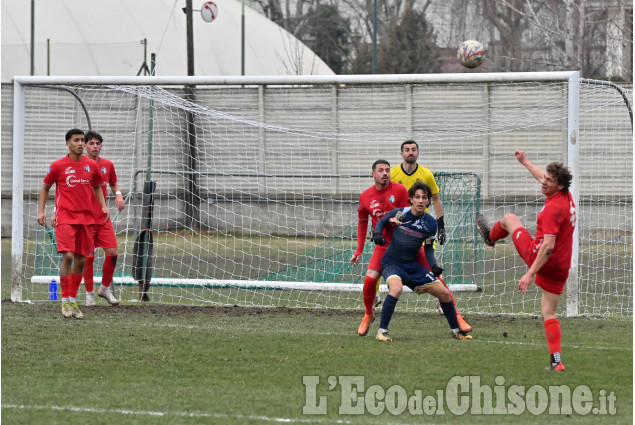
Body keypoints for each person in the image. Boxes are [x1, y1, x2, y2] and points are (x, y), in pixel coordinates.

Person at [476, 150, 575, 371]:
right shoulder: (566, 196)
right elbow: (542, 176)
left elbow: (548, 247)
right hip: (561, 267)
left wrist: (530, 273)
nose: (544, 181)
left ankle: (489, 238)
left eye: (549, 180)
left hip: (538, 255)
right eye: (545, 177)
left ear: (559, 186)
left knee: (510, 219)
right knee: (549, 313)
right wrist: (525, 162)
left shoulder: (552, 209)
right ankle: (556, 361)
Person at [372, 182, 472, 342]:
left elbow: (428, 248)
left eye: (424, 197)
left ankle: (456, 331)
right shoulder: (400, 213)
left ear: (428, 202)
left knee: (444, 293)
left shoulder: (431, 224)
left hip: (412, 266)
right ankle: (382, 332)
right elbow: (382, 221)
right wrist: (377, 234)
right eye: (417, 197)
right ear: (410, 199)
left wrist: (433, 265)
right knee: (396, 289)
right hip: (392, 263)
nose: (420, 200)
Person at [391, 139, 472, 333]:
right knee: (375, 268)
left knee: (434, 267)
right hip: (398, 233)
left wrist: (441, 225)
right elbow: (387, 200)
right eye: (407, 150)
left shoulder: (426, 174)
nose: (410, 152)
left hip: (420, 232)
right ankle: (371, 306)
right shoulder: (392, 173)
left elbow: (436, 198)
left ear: (418, 153)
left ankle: (454, 314)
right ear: (401, 154)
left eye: (414, 150)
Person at [37, 129, 110, 319]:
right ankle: (64, 301)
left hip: (86, 219)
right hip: (65, 218)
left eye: (82, 140)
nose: (80, 143)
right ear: (68, 143)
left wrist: (103, 207)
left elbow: (97, 187)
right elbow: (45, 187)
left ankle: (73, 299)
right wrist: (42, 211)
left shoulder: (91, 165)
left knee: (80, 259)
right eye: (76, 140)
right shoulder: (58, 166)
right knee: (67, 256)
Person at [350, 160, 410, 336]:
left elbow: (408, 210)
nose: (385, 173)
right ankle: (368, 314)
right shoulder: (365, 196)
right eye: (381, 170)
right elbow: (362, 224)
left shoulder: (399, 190)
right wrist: (359, 250)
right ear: (373, 174)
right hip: (383, 247)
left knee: (434, 276)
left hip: (405, 244)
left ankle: (456, 315)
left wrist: (397, 218)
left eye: (387, 170)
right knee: (369, 281)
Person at [82, 131, 125, 306]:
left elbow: (113, 182)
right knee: (88, 256)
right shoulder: (79, 165)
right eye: (91, 143)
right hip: (85, 219)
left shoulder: (107, 164)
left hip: (103, 218)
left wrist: (119, 195)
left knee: (113, 252)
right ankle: (89, 293)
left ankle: (105, 289)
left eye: (98, 143)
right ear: (85, 145)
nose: (95, 146)